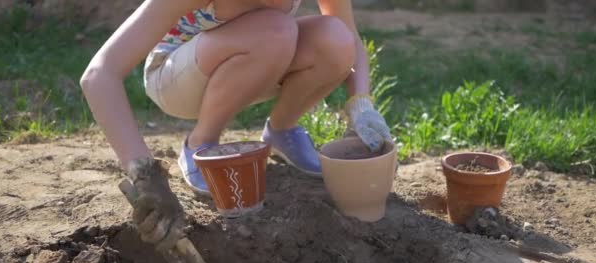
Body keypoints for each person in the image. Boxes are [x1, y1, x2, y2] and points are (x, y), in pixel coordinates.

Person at [80, 0, 392, 250]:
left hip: (259, 54)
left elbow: (350, 38)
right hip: (176, 76)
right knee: (276, 30)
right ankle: (200, 144)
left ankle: (282, 130)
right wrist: (144, 174)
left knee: (334, 39)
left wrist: (360, 103)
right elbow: (99, 74)